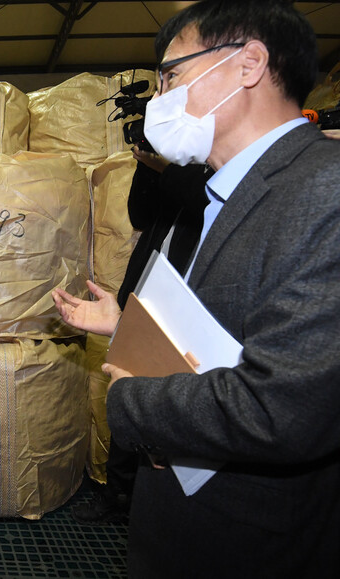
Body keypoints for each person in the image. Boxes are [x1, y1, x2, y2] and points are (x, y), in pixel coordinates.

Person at [59, 1, 340, 576]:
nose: (161, 98)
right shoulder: (221, 192)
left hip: (252, 541)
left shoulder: (324, 193)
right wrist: (124, 327)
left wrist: (129, 401)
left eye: (172, 75)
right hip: (185, 519)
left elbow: (283, 408)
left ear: (248, 63)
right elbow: (231, 327)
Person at [70, 149, 210, 524]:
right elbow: (140, 214)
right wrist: (150, 168)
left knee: (167, 393)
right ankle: (118, 492)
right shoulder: (176, 171)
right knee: (127, 380)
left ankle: (150, 500)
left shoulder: (223, 171)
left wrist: (168, 167)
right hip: (149, 288)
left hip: (188, 301)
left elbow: (199, 199)